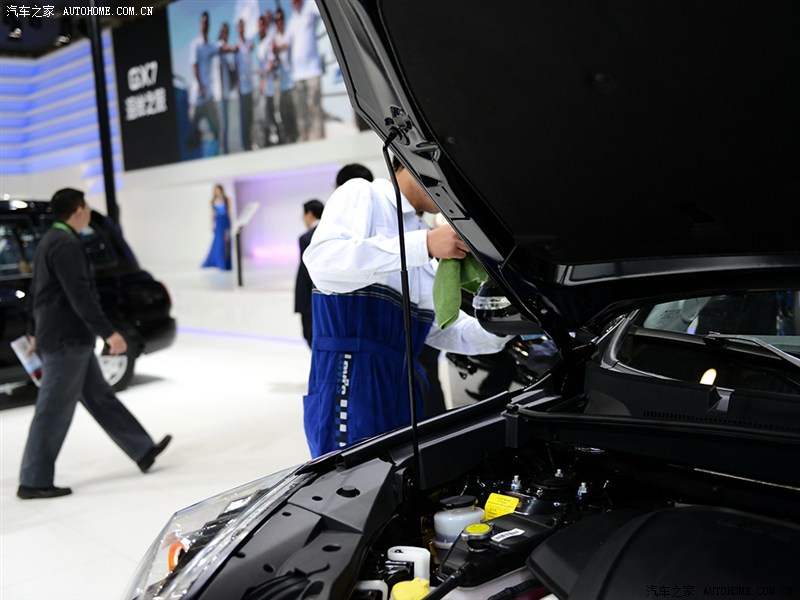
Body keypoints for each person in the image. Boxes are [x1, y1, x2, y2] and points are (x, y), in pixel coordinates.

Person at [302, 158, 511, 457]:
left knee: (401, 479)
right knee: (355, 480)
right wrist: (422, 245)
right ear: (413, 162)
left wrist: (507, 324)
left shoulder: (422, 233)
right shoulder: (363, 193)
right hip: (350, 380)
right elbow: (323, 262)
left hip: (404, 388)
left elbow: (444, 329)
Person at [17, 188, 171, 499]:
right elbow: (80, 296)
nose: (88, 212)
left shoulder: (50, 239)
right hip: (67, 339)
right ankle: (33, 481)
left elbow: (37, 292)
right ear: (77, 211)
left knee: (100, 397)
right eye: (86, 207)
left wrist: (33, 329)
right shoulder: (65, 243)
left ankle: (142, 449)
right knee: (52, 410)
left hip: (65, 338)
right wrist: (108, 332)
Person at [276, 0, 324, 141]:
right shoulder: (292, 21)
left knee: (315, 109)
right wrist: (276, 48)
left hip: (313, 71)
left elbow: (323, 11)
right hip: (298, 75)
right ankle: (305, 139)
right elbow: (286, 44)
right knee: (301, 112)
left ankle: (319, 141)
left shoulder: (310, 7)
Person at [189, 11, 222, 155]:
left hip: (208, 97)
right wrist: (201, 86)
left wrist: (234, 48)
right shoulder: (195, 45)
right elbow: (194, 66)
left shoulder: (210, 46)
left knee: (217, 127)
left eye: (207, 23)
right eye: (203, 22)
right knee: (191, 130)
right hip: (197, 97)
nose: (204, 25)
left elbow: (221, 49)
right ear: (199, 24)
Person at [294, 199, 325, 348]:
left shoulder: (306, 238)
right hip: (326, 294)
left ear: (310, 214)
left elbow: (307, 272)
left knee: (310, 335)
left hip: (309, 296)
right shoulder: (329, 233)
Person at [271, 6, 299, 144]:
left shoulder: (289, 33)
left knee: (296, 115)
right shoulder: (274, 38)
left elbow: (288, 45)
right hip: (282, 85)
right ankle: (290, 141)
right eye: (276, 20)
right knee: (284, 116)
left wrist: (277, 48)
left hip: (293, 83)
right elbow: (274, 60)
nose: (279, 22)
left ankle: (297, 139)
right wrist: (274, 53)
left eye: (281, 18)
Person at [233, 18, 255, 151]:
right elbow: (235, 67)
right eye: (239, 26)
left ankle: (250, 143)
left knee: (250, 116)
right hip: (242, 88)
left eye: (243, 26)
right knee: (244, 118)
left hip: (250, 86)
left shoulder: (249, 42)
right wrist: (237, 85)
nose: (241, 28)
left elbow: (252, 47)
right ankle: (245, 145)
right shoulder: (236, 46)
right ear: (237, 29)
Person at [202, 183, 233, 271]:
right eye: (216, 190)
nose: (217, 192)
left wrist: (231, 223)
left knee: (226, 243)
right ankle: (220, 263)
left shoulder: (226, 199)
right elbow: (212, 214)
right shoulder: (213, 201)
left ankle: (226, 264)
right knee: (219, 243)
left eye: (218, 190)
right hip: (218, 223)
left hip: (225, 221)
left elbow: (229, 212)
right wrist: (211, 224)